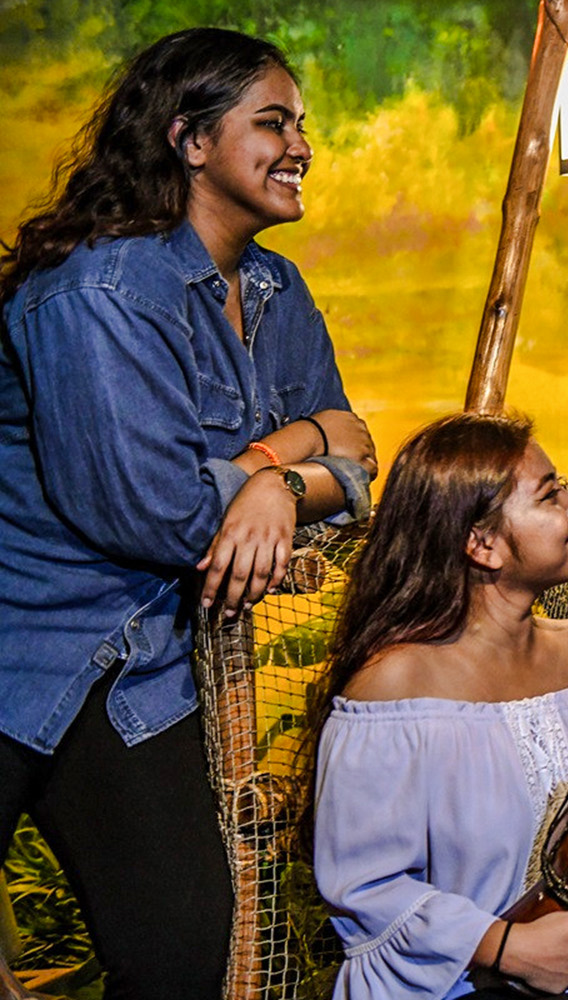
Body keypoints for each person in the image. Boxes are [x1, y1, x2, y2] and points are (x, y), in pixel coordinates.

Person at [0, 28, 375, 1000]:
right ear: (190, 140)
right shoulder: (97, 293)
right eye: (273, 122)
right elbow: (157, 517)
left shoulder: (276, 289)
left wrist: (281, 482)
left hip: (136, 663)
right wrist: (287, 454)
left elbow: (357, 461)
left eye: (301, 124)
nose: (301, 145)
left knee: (176, 948)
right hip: (17, 649)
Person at [311, 412, 568, 1000]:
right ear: (483, 543)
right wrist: (504, 946)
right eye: (550, 494)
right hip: (449, 987)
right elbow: (363, 887)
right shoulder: (393, 689)